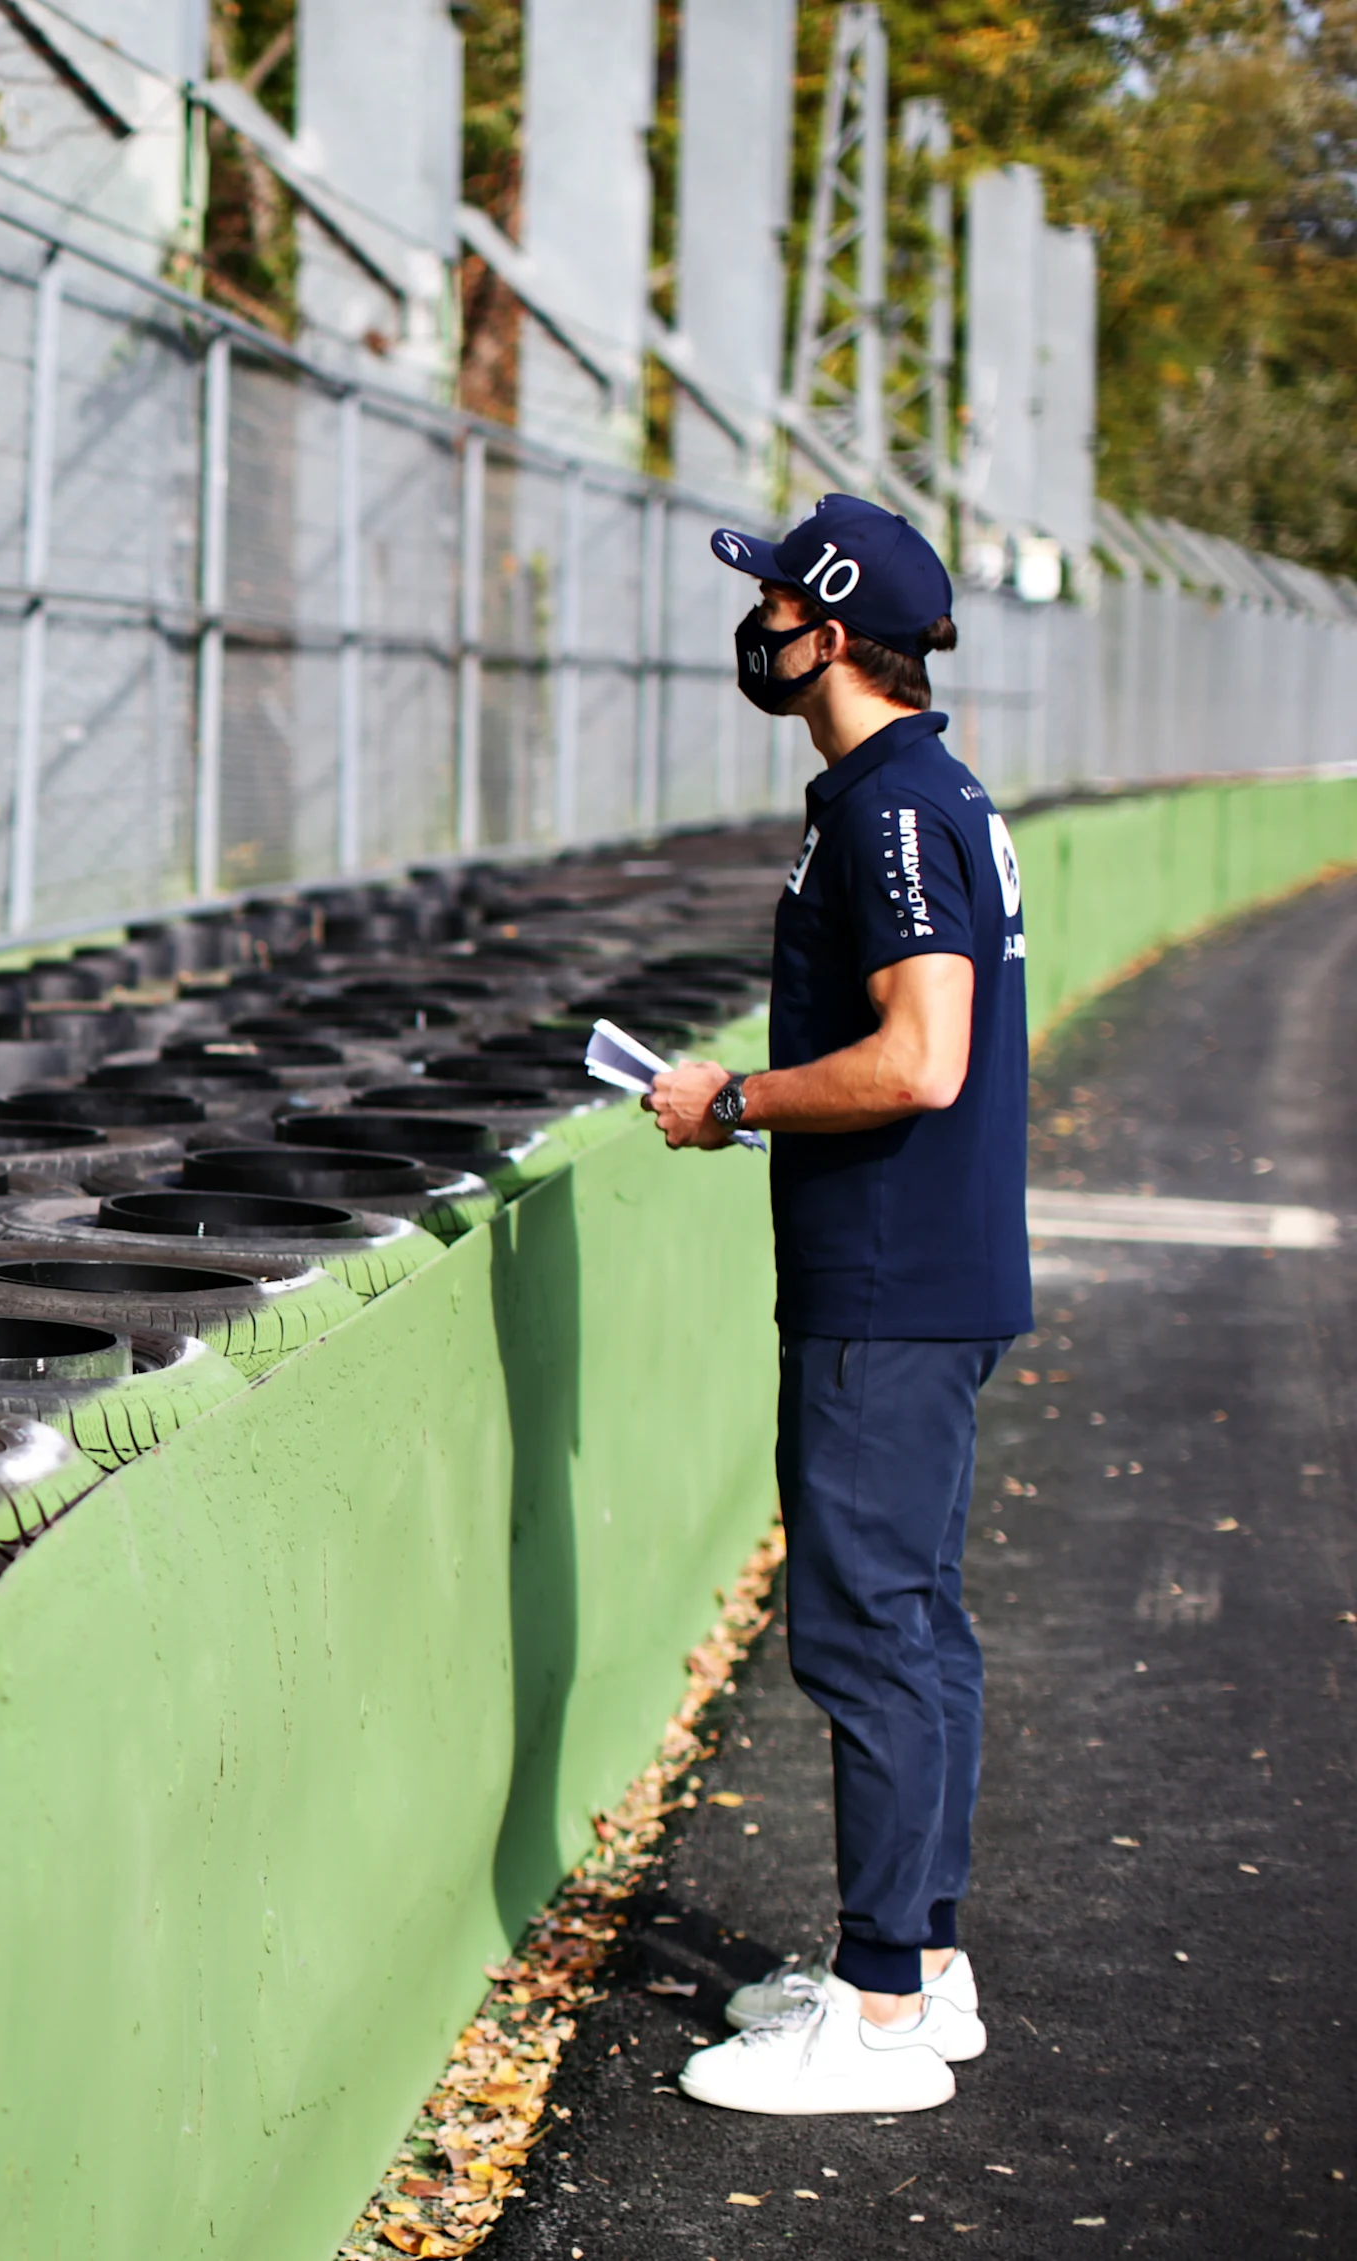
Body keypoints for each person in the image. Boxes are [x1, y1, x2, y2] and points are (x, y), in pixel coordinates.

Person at [646, 494, 1030, 2116]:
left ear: (830, 630)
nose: (759, 624)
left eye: (777, 599)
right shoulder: (919, 790)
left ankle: (875, 2018)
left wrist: (733, 1099)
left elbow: (921, 1058)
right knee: (917, 1625)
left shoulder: (887, 807)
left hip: (887, 1286)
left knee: (867, 1635)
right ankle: (919, 1971)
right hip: (930, 1274)